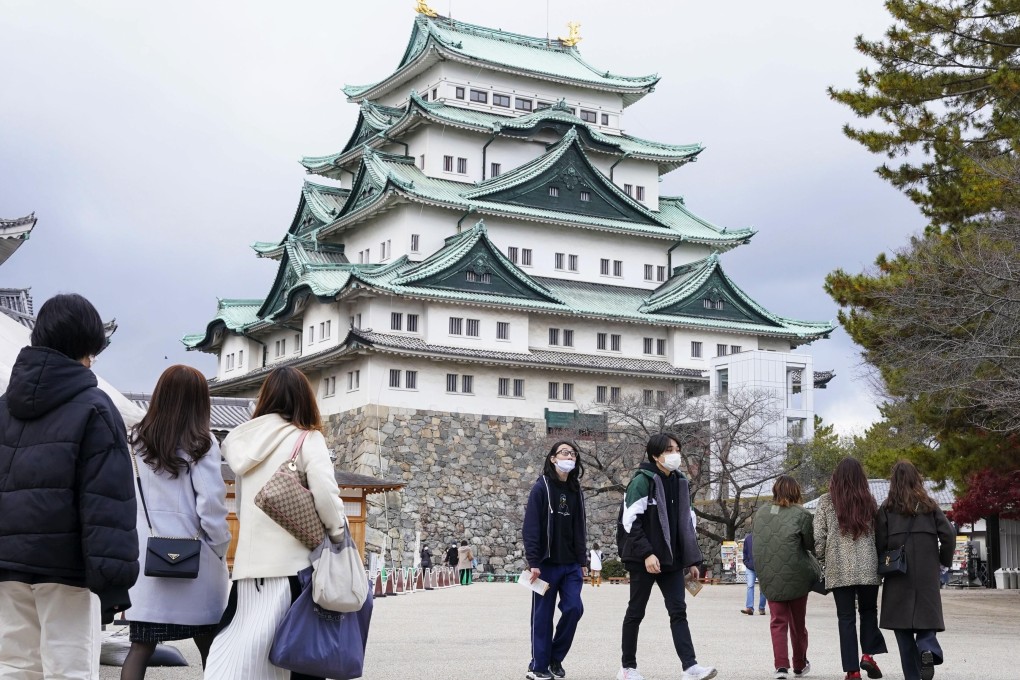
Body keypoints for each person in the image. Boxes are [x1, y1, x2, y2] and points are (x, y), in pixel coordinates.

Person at [0, 293, 139, 679]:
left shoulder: (3, 406)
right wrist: (113, 582)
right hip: (66, 568)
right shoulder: (95, 407)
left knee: (13, 666)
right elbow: (107, 502)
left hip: (7, 565)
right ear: (86, 348)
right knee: (70, 669)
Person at [205, 366, 346, 679]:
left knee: (247, 660)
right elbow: (326, 495)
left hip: (248, 572)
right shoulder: (307, 439)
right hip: (295, 570)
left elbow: (243, 507)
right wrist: (338, 535)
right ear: (303, 400)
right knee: (303, 658)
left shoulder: (242, 443)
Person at [121, 365, 232, 679]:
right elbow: (210, 505)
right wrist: (221, 548)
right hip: (197, 563)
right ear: (200, 401)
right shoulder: (203, 443)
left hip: (148, 561)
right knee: (209, 643)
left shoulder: (135, 441)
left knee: (140, 646)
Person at [617, 433, 716, 680]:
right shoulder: (642, 481)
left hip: (671, 560)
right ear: (655, 455)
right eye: (669, 449)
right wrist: (647, 554)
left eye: (677, 449)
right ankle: (627, 668)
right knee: (636, 611)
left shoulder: (681, 481)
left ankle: (690, 667)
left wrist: (692, 560)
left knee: (678, 611)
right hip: (643, 560)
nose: (675, 454)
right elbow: (630, 522)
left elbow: (687, 524)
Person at [876, 461, 954, 680]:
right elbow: (948, 534)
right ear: (916, 479)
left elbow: (879, 542)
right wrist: (943, 560)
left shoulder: (886, 508)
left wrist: (882, 567)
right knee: (927, 617)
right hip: (927, 572)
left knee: (902, 630)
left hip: (898, 574)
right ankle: (927, 647)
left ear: (894, 482)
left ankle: (912, 676)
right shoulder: (930, 506)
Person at [814, 457, 887, 680]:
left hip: (839, 568)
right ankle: (867, 655)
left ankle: (852, 671)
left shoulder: (826, 502)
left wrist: (821, 558)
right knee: (868, 612)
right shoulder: (869, 501)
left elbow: (819, 537)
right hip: (868, 568)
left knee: (845, 618)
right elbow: (879, 536)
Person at [523, 440, 587, 680]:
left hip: (571, 564)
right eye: (564, 452)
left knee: (574, 609)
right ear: (552, 458)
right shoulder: (541, 488)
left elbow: (580, 527)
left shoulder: (575, 490)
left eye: (572, 453)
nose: (569, 457)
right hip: (546, 565)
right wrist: (533, 561)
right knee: (542, 616)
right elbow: (530, 527)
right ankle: (539, 666)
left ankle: (554, 658)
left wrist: (582, 560)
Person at [753, 475, 816, 680]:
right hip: (797, 574)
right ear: (796, 491)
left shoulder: (761, 514)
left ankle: (781, 666)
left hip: (770, 574)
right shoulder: (802, 514)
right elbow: (809, 545)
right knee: (798, 624)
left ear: (775, 490)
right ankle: (799, 664)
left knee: (777, 622)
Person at [740, 533, 766, 615]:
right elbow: (745, 552)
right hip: (750, 567)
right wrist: (746, 563)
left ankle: (762, 608)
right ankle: (749, 608)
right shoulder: (748, 539)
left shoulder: (764, 537)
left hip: (762, 567)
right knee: (750, 586)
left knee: (763, 588)